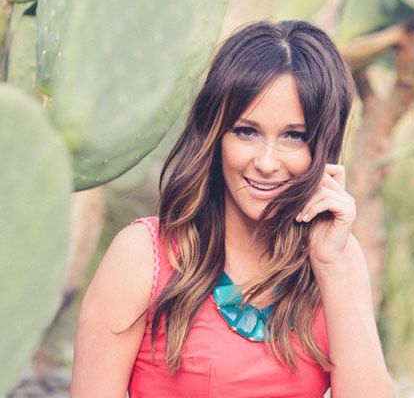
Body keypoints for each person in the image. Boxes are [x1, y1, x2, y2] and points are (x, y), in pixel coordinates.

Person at [70, 20, 394, 398]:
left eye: (294, 136)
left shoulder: (339, 258)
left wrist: (331, 267)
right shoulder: (142, 256)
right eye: (246, 131)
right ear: (216, 136)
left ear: (323, 146)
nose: (267, 163)